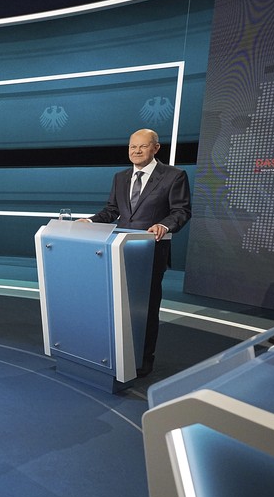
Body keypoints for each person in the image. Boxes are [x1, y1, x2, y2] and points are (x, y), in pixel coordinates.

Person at [79, 128, 191, 377]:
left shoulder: (174, 176)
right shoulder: (120, 177)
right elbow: (111, 211)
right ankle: (116, 353)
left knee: (146, 310)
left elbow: (181, 211)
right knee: (117, 307)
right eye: (132, 147)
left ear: (156, 148)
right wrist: (90, 221)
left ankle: (142, 360)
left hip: (150, 253)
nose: (136, 151)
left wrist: (164, 225)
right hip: (119, 253)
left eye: (142, 146)